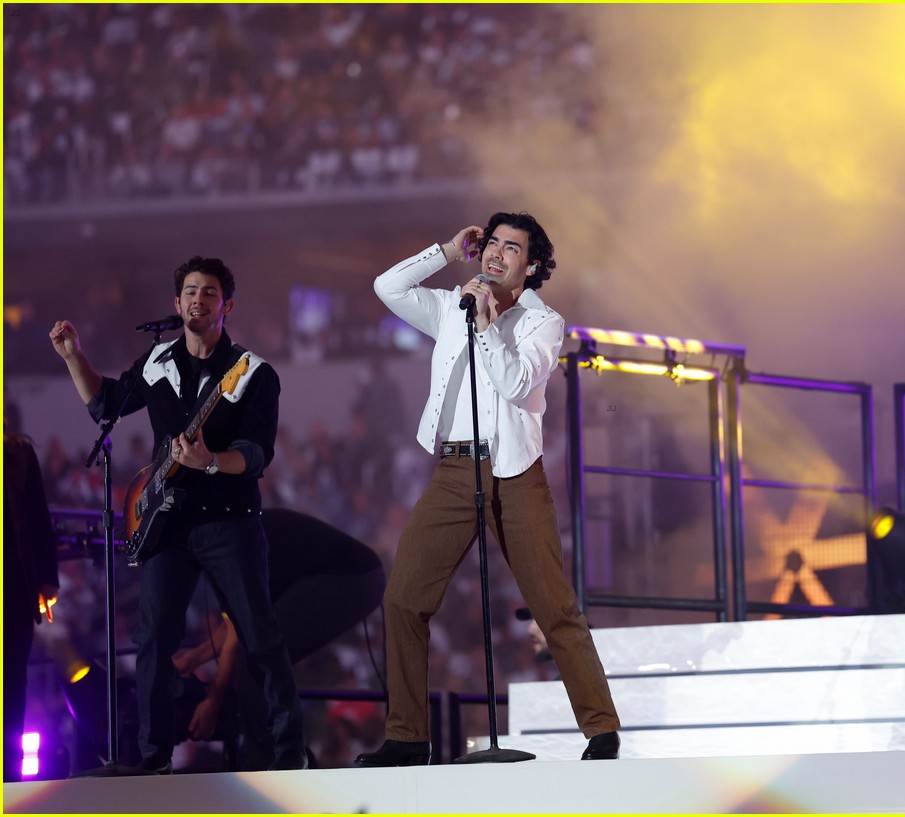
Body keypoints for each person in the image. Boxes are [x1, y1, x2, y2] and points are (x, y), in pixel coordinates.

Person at [355, 212, 621, 766]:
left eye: (512, 248)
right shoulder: (452, 305)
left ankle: (601, 728)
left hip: (516, 473)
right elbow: (388, 287)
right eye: (492, 244)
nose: (496, 253)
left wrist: (483, 325)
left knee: (553, 605)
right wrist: (447, 251)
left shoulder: (543, 322)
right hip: (454, 471)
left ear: (534, 264)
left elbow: (518, 383)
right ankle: (407, 737)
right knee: (404, 597)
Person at [49, 256, 308, 773]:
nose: (197, 300)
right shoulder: (157, 363)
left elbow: (257, 454)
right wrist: (73, 356)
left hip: (229, 521)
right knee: (153, 640)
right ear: (176, 304)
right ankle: (152, 759)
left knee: (259, 635)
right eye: (190, 292)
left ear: (226, 306)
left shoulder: (251, 373)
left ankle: (288, 753)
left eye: (209, 293)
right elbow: (106, 406)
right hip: (166, 524)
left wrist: (212, 461)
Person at [172, 508, 386, 769]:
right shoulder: (227, 539)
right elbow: (233, 626)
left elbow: (239, 636)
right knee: (257, 653)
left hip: (352, 579)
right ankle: (283, 756)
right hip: (355, 576)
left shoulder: (230, 551)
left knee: (255, 655)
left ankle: (272, 761)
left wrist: (213, 701)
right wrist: (193, 658)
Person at [3, 432, 60, 782]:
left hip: (14, 593)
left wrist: (46, 579)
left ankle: (8, 780)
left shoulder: (18, 452)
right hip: (17, 592)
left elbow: (39, 519)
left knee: (11, 689)